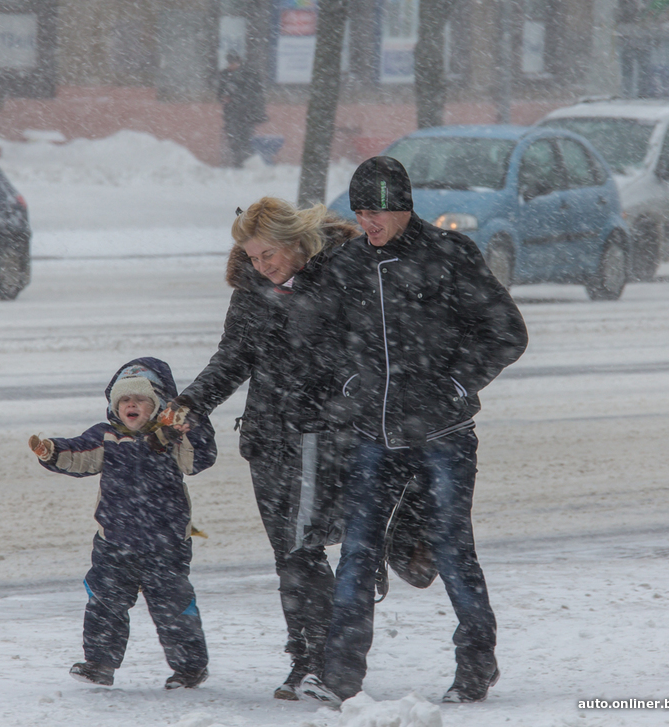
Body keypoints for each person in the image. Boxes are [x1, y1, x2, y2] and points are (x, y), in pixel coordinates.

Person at [314, 156, 529, 704]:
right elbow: (327, 342)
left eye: (376, 212)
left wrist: (455, 386)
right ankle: (339, 675)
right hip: (371, 435)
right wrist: (350, 385)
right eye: (360, 212)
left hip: (443, 436)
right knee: (357, 551)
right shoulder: (348, 264)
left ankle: (476, 665)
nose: (368, 223)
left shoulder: (449, 255)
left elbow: (507, 333)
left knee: (453, 550)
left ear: (403, 207)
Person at [165, 198, 359, 701]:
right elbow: (234, 356)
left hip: (322, 433)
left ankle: (320, 658)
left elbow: (365, 353)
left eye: (267, 254)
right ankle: (309, 654)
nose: (261, 265)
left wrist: (341, 404)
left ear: (295, 241)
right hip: (267, 436)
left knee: (303, 546)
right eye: (252, 257)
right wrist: (191, 402)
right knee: (288, 553)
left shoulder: (340, 277)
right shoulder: (254, 289)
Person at [29, 357, 217, 690]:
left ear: (156, 405)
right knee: (105, 602)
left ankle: (190, 668)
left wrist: (188, 428)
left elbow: (196, 460)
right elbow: (78, 453)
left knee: (173, 606)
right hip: (114, 541)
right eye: (124, 400)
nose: (131, 405)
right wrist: (51, 451)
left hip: (166, 543)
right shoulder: (107, 437)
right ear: (115, 407)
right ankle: (98, 664)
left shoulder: (169, 436)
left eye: (140, 399)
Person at [217, 52, 267, 167]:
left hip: (245, 114)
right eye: (230, 63)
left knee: (244, 139)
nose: (231, 65)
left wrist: (234, 97)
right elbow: (220, 93)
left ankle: (244, 163)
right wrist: (224, 97)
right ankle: (238, 162)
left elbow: (252, 95)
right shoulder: (225, 75)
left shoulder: (249, 75)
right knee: (234, 140)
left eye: (233, 63)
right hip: (231, 114)